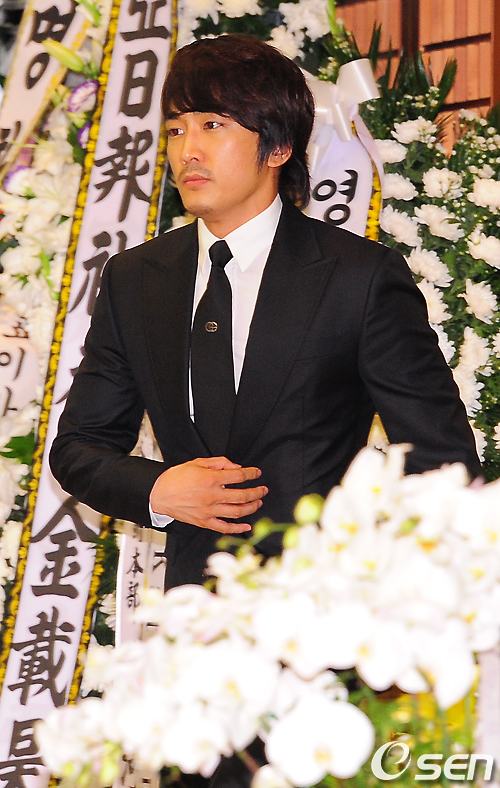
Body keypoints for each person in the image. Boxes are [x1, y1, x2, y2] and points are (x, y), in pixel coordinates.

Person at [50, 34, 481, 591]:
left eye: (213, 125)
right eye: (177, 129)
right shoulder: (134, 278)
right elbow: (78, 447)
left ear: (278, 148)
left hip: (325, 602)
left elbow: (443, 464)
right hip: (193, 608)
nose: (188, 151)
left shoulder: (359, 276)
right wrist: (159, 489)